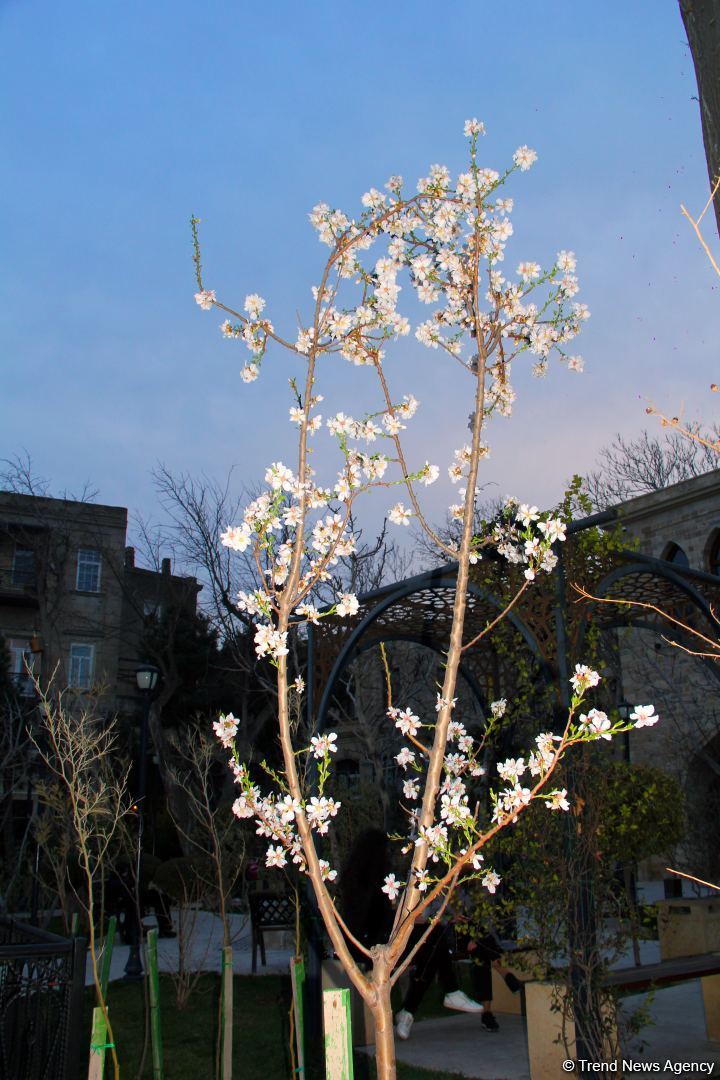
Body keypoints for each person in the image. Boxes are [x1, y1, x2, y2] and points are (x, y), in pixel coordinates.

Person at [338, 828, 484, 1041]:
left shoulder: (358, 880)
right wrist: (408, 921)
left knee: (431, 946)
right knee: (433, 939)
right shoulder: (371, 884)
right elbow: (377, 920)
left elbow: (380, 918)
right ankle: (441, 995)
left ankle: (411, 1011)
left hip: (371, 940)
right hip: (371, 946)